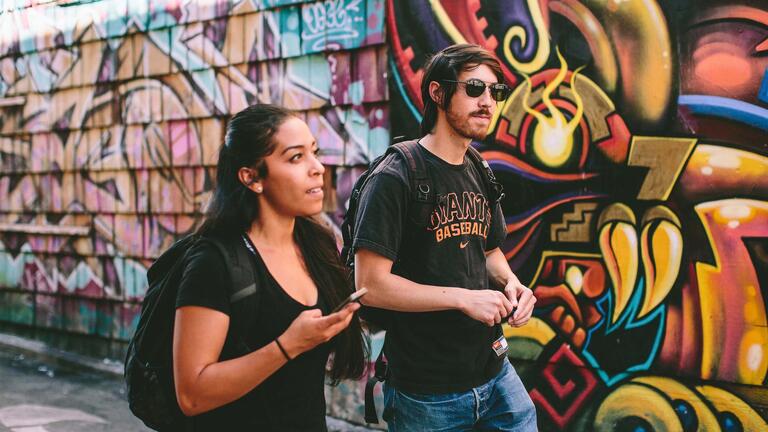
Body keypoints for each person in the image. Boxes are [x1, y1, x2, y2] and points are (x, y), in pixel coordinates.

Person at [352, 44, 538, 431]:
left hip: (493, 371)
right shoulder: (396, 176)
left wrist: (513, 284)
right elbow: (369, 286)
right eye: (474, 88)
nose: (487, 101)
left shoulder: (477, 168)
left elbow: (487, 249)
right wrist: (462, 298)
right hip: (428, 390)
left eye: (495, 91)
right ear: (438, 93)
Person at [172, 104, 366, 431]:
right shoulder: (215, 262)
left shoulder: (316, 245)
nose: (317, 168)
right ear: (251, 177)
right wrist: (287, 345)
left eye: (314, 153)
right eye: (295, 157)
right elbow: (191, 395)